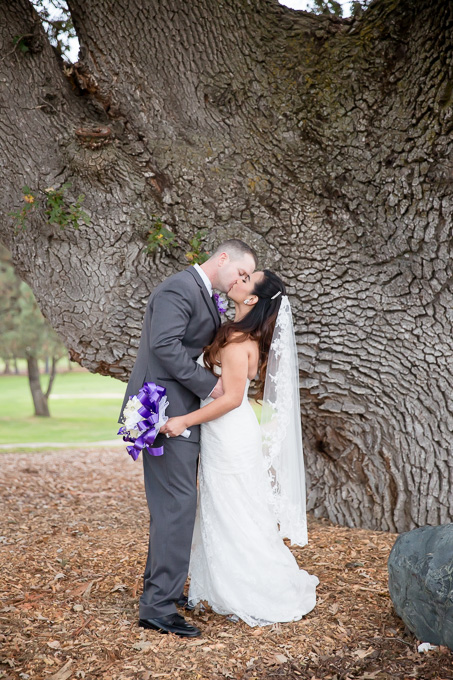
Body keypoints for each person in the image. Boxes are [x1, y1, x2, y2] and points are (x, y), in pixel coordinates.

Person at [161, 270, 319, 627]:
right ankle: (220, 586)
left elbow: (232, 399)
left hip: (230, 434)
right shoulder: (236, 332)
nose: (237, 278)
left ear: (251, 299)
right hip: (226, 433)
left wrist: (185, 421)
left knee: (235, 512)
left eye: (246, 278)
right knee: (228, 509)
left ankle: (250, 590)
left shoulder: (237, 341)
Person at [118, 239, 258, 638]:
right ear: (223, 258)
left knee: (173, 505)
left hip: (181, 412)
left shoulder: (202, 292)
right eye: (241, 273)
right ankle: (158, 608)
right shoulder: (178, 288)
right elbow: (162, 346)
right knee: (177, 504)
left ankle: (161, 590)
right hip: (162, 411)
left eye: (248, 279)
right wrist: (210, 385)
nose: (241, 280)